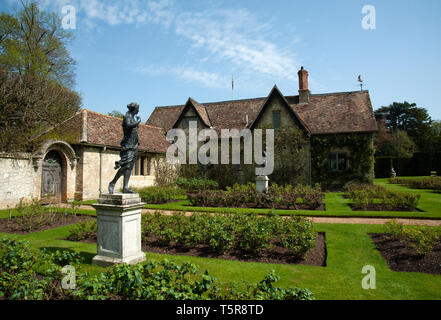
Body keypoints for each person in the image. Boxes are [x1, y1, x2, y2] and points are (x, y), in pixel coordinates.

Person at [108, 103, 141, 194]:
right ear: (134, 109)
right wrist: (138, 121)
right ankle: (113, 182)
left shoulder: (133, 117)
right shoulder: (127, 117)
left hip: (134, 145)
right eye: (138, 109)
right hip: (128, 145)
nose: (138, 111)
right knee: (126, 165)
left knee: (130, 167)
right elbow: (128, 125)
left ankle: (125, 187)